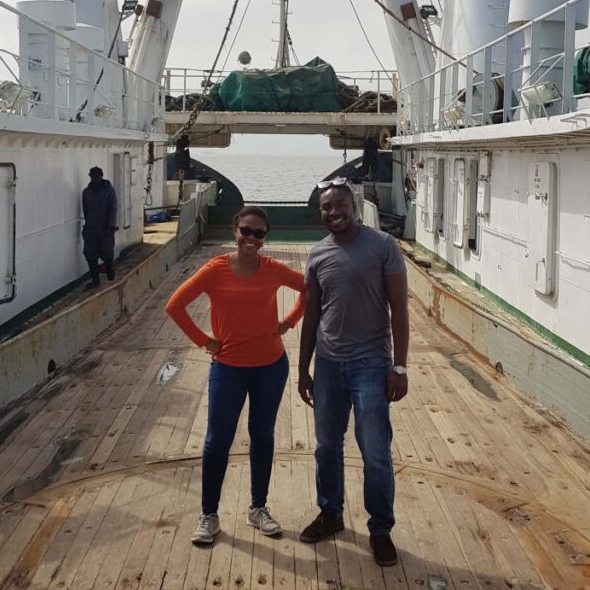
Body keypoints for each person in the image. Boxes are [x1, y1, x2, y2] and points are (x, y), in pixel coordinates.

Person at [165, 205, 306, 546]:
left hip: (271, 367)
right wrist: (205, 341)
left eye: (259, 233)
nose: (252, 238)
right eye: (246, 231)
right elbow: (174, 305)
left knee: (262, 436)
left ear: (265, 237)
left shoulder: (272, 270)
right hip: (228, 368)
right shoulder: (215, 270)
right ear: (235, 231)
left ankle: (258, 508)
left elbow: (310, 289)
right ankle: (209, 515)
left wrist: (288, 322)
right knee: (217, 441)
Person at [298, 180, 408, 567]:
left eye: (340, 204)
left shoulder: (382, 246)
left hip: (371, 364)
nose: (334, 212)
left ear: (354, 206)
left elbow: (400, 310)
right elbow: (312, 317)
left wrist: (399, 366)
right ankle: (331, 513)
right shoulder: (316, 255)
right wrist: (303, 370)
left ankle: (380, 530)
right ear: (321, 212)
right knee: (326, 447)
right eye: (327, 207)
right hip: (327, 365)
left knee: (375, 452)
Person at [82, 167, 118, 288]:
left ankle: (110, 270)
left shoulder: (109, 191)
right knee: (90, 254)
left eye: (96, 176)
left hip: (106, 228)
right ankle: (95, 280)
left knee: (107, 252)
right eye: (92, 176)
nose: (94, 179)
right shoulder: (86, 193)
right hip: (91, 228)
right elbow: (85, 211)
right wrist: (87, 227)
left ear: (101, 176)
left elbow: (113, 208)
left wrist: (111, 225)